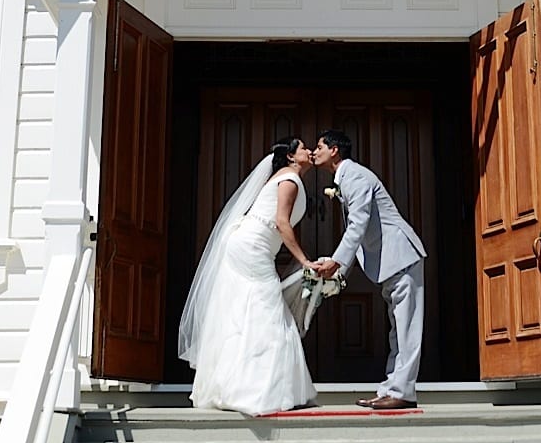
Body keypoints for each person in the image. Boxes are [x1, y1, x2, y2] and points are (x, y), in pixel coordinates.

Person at [178, 138, 318, 415]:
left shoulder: (285, 177)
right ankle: (256, 390)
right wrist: (305, 261)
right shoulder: (290, 179)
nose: (310, 151)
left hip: (249, 244)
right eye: (303, 148)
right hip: (252, 247)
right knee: (267, 308)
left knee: (246, 308)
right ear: (291, 156)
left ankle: (234, 383)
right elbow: (281, 222)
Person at [312, 129, 426, 410]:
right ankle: (391, 388)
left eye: (319, 146)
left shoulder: (355, 176)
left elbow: (358, 223)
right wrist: (341, 271)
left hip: (401, 256)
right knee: (397, 330)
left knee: (406, 328)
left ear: (334, 150)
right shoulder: (347, 178)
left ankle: (402, 392)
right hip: (390, 263)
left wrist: (337, 262)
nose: (315, 152)